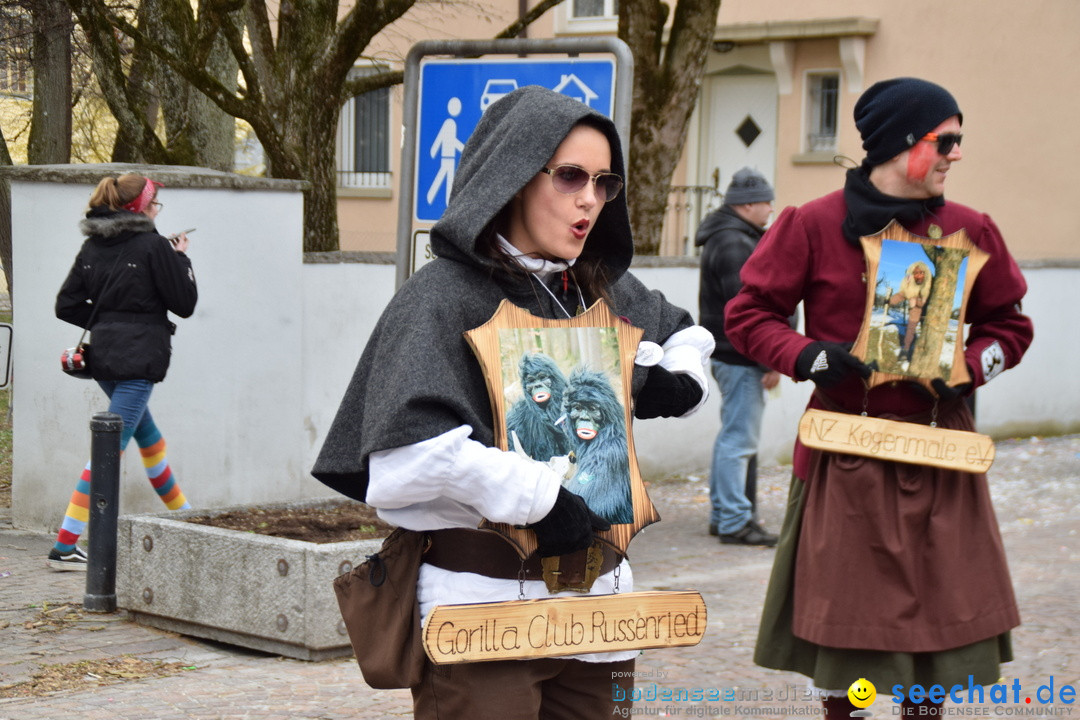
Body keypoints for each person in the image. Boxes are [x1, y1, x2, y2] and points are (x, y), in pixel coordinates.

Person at [313, 85, 714, 719]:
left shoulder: (596, 285)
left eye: (604, 181)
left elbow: (688, 332)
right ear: (513, 179)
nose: (590, 198)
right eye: (570, 177)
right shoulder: (439, 297)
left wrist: (682, 375)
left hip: (597, 606)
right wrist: (539, 496)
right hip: (484, 609)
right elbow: (403, 460)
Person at [724, 78, 1033, 717]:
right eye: (944, 141)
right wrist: (809, 356)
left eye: (959, 140)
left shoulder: (971, 230)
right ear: (898, 144)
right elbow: (748, 315)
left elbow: (1011, 325)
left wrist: (971, 367)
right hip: (846, 456)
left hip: (940, 457)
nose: (955, 154)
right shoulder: (809, 225)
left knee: (931, 639)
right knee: (850, 637)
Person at [50, 173, 198, 570]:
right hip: (138, 363)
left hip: (104, 361)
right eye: (154, 204)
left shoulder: (92, 247)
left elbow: (66, 305)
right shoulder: (154, 246)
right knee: (108, 450)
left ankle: (187, 518)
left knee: (149, 441)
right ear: (140, 208)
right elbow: (184, 304)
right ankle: (65, 545)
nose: (156, 210)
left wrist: (108, 323)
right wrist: (181, 257)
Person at [695, 167, 780, 546]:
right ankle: (734, 521)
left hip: (730, 353)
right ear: (747, 205)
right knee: (739, 440)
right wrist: (768, 359)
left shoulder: (730, 237)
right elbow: (745, 310)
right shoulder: (734, 243)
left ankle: (723, 514)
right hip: (740, 355)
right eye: (766, 201)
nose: (771, 208)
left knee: (732, 435)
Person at [888, 260, 933, 364]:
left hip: (928, 312)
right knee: (910, 330)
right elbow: (901, 294)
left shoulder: (930, 284)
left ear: (925, 273)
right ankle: (905, 350)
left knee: (926, 332)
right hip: (915, 311)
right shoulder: (910, 285)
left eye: (921, 272)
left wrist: (917, 301)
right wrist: (889, 301)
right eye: (915, 273)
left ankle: (924, 353)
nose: (918, 275)